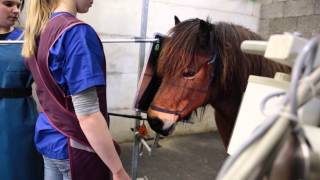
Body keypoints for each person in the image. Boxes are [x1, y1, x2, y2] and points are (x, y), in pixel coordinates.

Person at [22, 0, 130, 180]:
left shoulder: (38, 30)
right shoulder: (76, 33)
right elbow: (88, 114)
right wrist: (118, 170)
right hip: (75, 146)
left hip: (48, 138)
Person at [0, 0, 43, 179]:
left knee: (19, 170)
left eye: (19, 6)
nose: (16, 10)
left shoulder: (28, 39)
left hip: (18, 119)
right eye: (8, 4)